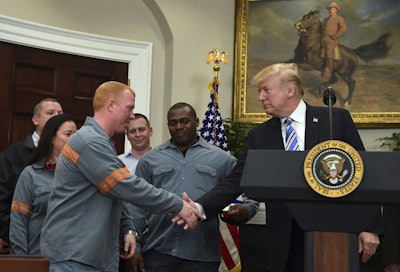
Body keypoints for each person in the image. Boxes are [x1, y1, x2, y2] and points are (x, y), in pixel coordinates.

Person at [174, 63, 381, 272]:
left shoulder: (334, 120)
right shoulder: (259, 135)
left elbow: (363, 174)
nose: (261, 97)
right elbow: (236, 180)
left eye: (266, 90)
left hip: (333, 235)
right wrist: (198, 207)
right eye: (259, 91)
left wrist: (369, 227)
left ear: (290, 91)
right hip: (284, 240)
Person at [40, 81, 201, 272]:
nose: (132, 115)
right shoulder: (89, 141)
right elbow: (125, 185)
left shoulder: (100, 142)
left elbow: (116, 193)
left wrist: (128, 229)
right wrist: (178, 205)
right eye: (129, 108)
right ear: (110, 105)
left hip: (90, 257)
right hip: (75, 257)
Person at [130, 102, 258, 272]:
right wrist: (135, 248)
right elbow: (136, 206)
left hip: (202, 254)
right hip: (157, 252)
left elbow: (249, 193)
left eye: (184, 121)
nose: (178, 127)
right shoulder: (149, 160)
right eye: (173, 123)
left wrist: (246, 210)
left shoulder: (222, 159)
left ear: (197, 122)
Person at [0, 98, 63, 254]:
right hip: (17, 238)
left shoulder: (69, 155)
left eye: (60, 113)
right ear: (35, 119)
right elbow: (2, 196)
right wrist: (4, 234)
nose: (56, 116)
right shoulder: (13, 154)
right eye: (50, 113)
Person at [9, 114, 77, 255]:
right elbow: (18, 221)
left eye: (76, 134)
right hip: (39, 257)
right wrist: (23, 261)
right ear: (51, 138)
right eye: (68, 134)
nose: (74, 138)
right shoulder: (31, 174)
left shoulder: (83, 174)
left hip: (74, 260)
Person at [118, 113, 153, 272]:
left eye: (142, 129)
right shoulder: (117, 163)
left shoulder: (164, 160)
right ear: (127, 135)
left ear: (150, 131)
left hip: (157, 235)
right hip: (126, 233)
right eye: (132, 131)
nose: (138, 134)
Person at [321, 2, 348, 78]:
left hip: (331, 40)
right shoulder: (325, 19)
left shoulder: (339, 18)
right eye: (329, 9)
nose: (330, 10)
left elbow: (344, 28)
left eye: (332, 9)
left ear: (336, 10)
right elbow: (322, 29)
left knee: (329, 53)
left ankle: (329, 70)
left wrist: (336, 36)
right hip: (323, 38)